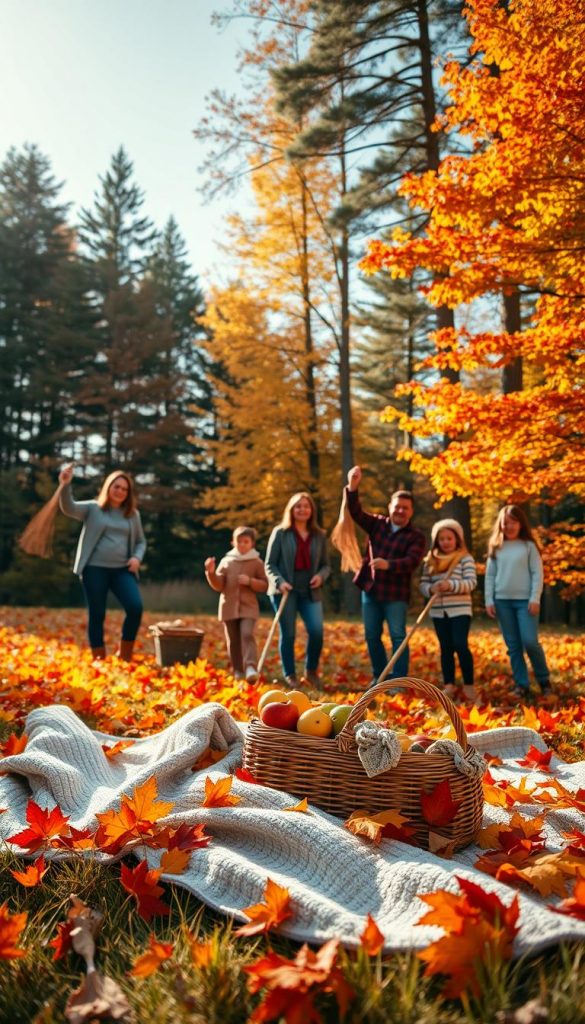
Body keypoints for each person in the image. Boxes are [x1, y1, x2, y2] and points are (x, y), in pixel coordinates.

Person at [342, 466, 426, 683]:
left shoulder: (416, 536)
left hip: (396, 595)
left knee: (398, 635)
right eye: (397, 507)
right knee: (372, 635)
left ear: (411, 511)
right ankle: (379, 677)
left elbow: (412, 562)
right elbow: (355, 512)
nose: (400, 511)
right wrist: (353, 486)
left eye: (405, 508)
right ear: (390, 507)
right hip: (371, 590)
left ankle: (398, 680)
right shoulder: (377, 524)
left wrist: (388, 565)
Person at [58, 464, 146, 661]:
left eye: (125, 489)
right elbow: (68, 508)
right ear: (109, 487)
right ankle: (99, 659)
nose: (121, 491)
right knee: (97, 614)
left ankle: (125, 655)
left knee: (135, 607)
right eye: (117, 487)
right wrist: (65, 485)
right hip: (94, 570)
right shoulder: (93, 508)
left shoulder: (132, 515)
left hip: (122, 570)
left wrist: (136, 558)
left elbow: (141, 541)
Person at [485, 505, 551, 699]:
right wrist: (489, 600)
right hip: (502, 602)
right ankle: (521, 685)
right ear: (501, 524)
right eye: (506, 522)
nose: (509, 526)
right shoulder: (496, 546)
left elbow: (537, 573)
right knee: (513, 646)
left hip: (526, 602)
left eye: (514, 522)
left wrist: (535, 598)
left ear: (521, 524)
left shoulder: (528, 546)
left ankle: (544, 680)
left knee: (530, 642)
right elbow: (490, 576)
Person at [265, 492, 330, 686]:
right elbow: (269, 564)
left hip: (310, 590)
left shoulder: (319, 535)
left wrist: (321, 576)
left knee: (316, 630)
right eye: (298, 506)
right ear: (292, 510)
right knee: (289, 633)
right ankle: (290, 675)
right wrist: (279, 581)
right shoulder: (281, 533)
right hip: (285, 590)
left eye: (306, 506)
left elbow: (326, 565)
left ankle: (311, 671)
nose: (302, 509)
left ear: (312, 510)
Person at [420, 519, 477, 701]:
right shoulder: (431, 560)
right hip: (438, 611)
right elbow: (423, 584)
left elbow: (471, 583)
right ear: (436, 540)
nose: (445, 542)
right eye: (441, 538)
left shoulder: (464, 558)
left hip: (460, 610)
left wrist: (450, 584)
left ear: (457, 539)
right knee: (445, 648)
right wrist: (431, 589)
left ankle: (469, 685)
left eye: (449, 538)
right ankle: (449, 685)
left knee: (460, 644)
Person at [204, 526, 268, 681]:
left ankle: (251, 666)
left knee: (247, 634)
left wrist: (250, 581)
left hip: (249, 607)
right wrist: (211, 573)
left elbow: (265, 585)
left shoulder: (257, 562)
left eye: (246, 541)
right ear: (233, 542)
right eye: (239, 541)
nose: (242, 544)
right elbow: (219, 585)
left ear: (252, 543)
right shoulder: (227, 561)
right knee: (233, 640)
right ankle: (238, 670)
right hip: (228, 607)